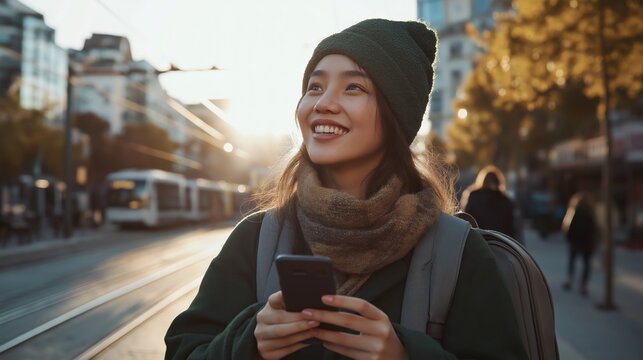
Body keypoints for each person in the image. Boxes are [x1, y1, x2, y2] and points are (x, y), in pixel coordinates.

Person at [165, 19, 527, 359]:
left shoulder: (458, 252)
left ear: (396, 115)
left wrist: (404, 354)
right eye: (314, 87)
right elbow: (184, 350)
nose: (323, 103)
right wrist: (249, 342)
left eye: (353, 87)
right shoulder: (255, 239)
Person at [461, 165, 516, 237]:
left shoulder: (474, 196)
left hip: (478, 238)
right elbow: (510, 227)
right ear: (499, 182)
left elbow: (467, 218)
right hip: (499, 241)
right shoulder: (505, 201)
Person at [562, 191, 598, 296]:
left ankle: (569, 280)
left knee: (572, 261)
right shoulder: (591, 211)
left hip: (575, 241)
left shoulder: (573, 210)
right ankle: (584, 285)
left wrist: (569, 239)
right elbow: (595, 227)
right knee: (586, 264)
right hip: (588, 242)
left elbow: (567, 226)